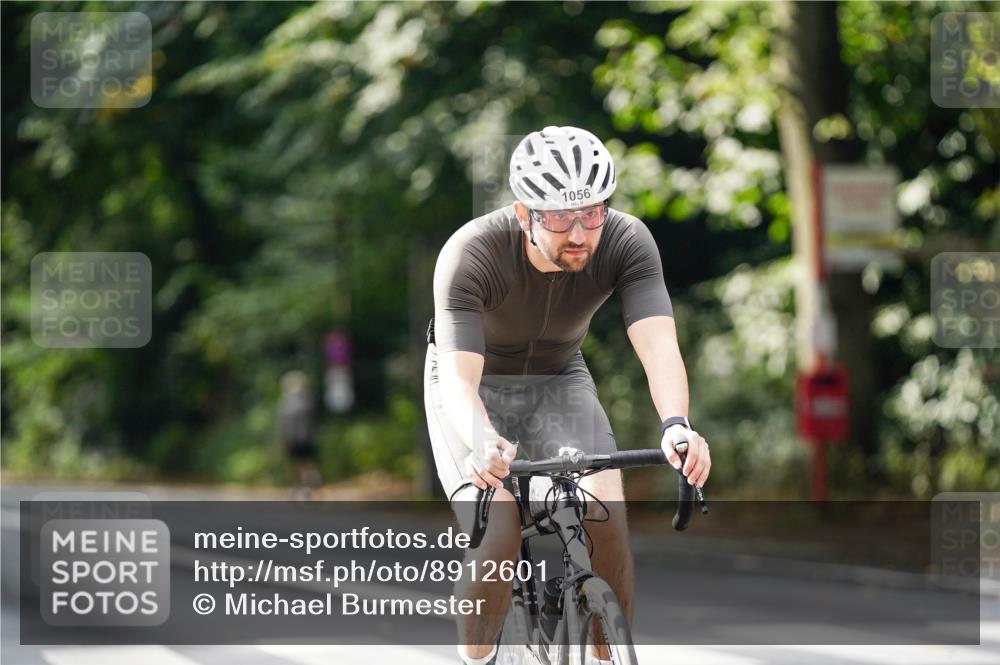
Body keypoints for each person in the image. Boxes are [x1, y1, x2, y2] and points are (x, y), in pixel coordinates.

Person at [423, 126, 712, 665]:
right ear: (523, 213)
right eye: (557, 217)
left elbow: (658, 344)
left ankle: (605, 656)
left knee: (610, 521)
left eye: (592, 212)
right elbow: (460, 383)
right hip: (470, 386)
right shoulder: (471, 253)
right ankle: (476, 656)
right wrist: (484, 440)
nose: (578, 233)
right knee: (500, 532)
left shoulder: (627, 240)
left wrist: (676, 423)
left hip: (560, 377)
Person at [280, 370, 321, 496]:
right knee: (305, 464)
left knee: (298, 465)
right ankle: (304, 486)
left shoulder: (287, 402)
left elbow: (285, 424)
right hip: (305, 438)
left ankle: (301, 487)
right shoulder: (307, 400)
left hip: (295, 439)